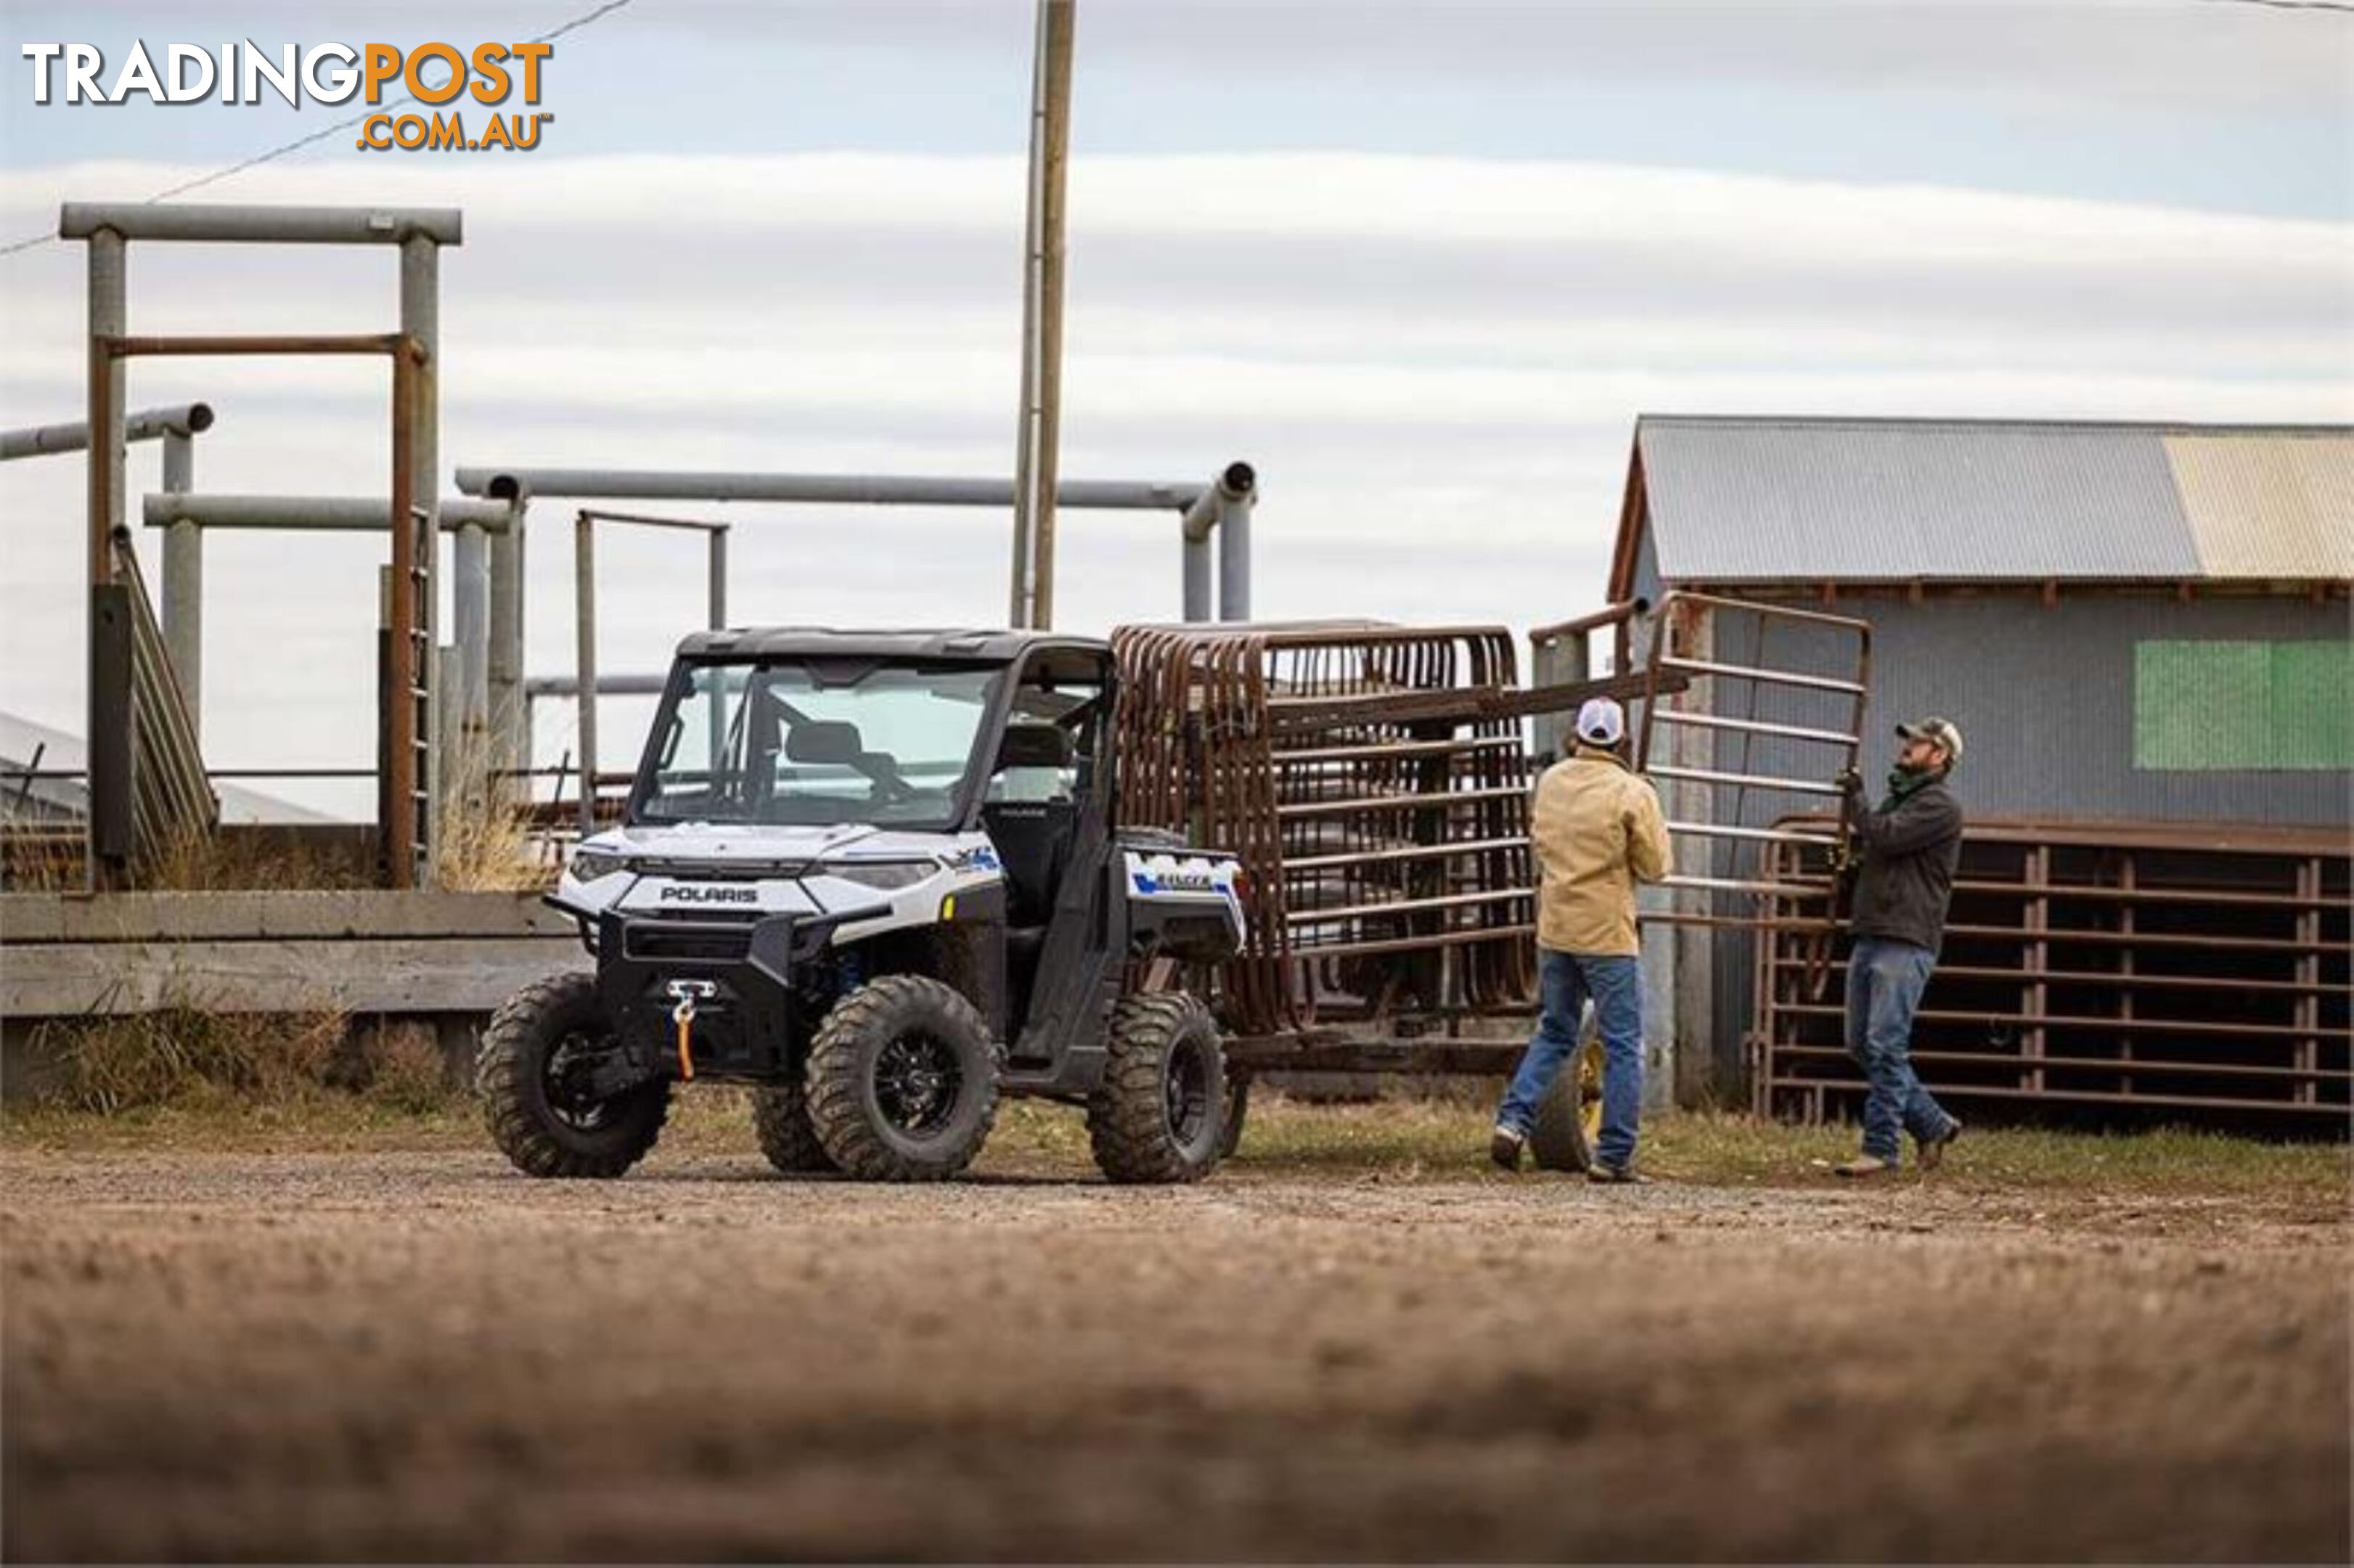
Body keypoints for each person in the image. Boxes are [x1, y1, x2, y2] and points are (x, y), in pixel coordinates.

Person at [1490, 696, 1672, 1183]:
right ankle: (1612, 1156)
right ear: (1619, 739)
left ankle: (1512, 1122)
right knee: (1622, 1043)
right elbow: (1656, 867)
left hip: (1556, 929)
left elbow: (1539, 842)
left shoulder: (1549, 782)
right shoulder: (1631, 791)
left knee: (1554, 1031)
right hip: (1607, 935)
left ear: (1577, 735)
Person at [1834, 716, 1968, 1178]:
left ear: (1940, 756)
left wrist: (1857, 802)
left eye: (1919, 742)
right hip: (1877, 930)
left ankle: (1881, 1147)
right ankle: (1932, 1124)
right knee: (1861, 1044)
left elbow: (1888, 836)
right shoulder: (1905, 799)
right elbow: (1883, 843)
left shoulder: (1939, 806)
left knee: (1885, 1044)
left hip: (1905, 937)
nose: (1909, 746)